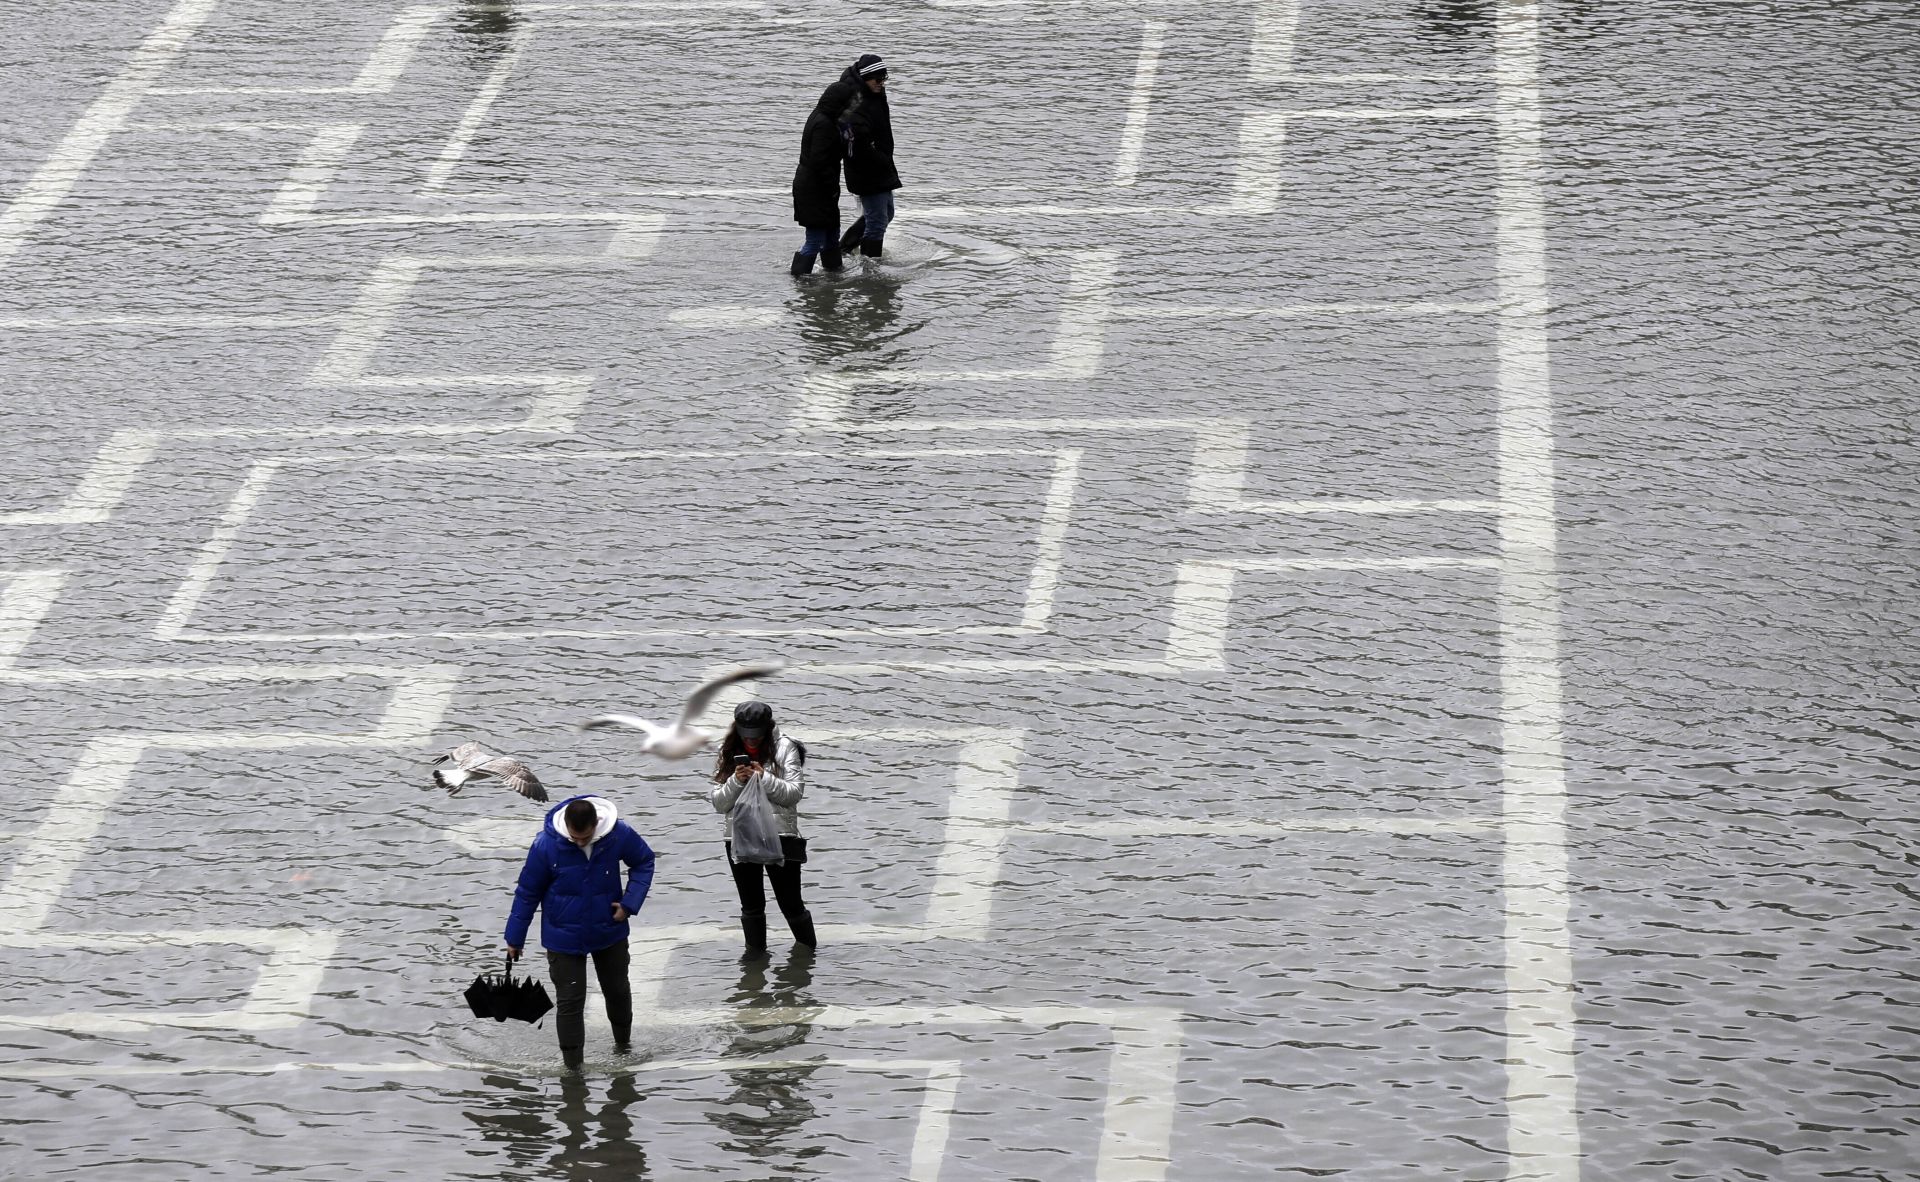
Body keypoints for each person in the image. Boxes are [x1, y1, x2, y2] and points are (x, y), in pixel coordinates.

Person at [504, 794, 656, 1071]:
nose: (579, 843)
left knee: (617, 990)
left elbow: (644, 861)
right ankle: (573, 1071)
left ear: (596, 824)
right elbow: (527, 893)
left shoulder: (617, 833)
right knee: (570, 1002)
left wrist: (629, 904)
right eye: (574, 838)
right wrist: (515, 938)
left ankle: (624, 1049)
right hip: (562, 936)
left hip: (609, 928)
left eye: (585, 838)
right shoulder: (545, 845)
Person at [706, 701, 816, 956]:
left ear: (767, 729)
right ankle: (754, 963)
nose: (751, 742)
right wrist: (736, 780)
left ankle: (808, 955)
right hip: (740, 836)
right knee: (751, 906)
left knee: (791, 903)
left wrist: (763, 777)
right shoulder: (728, 749)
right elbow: (719, 803)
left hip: (780, 837)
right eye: (746, 736)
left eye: (756, 736)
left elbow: (793, 794)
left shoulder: (786, 747)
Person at [790, 65, 858, 277]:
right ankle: (801, 280)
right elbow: (820, 162)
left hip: (819, 188)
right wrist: (831, 188)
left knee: (831, 235)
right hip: (815, 190)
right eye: (849, 103)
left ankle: (834, 275)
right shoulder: (825, 124)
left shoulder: (823, 117)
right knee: (815, 239)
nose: (852, 107)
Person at [836, 53, 902, 261]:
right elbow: (854, 140)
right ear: (865, 78)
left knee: (886, 214)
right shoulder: (855, 102)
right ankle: (871, 267)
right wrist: (878, 157)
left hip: (881, 165)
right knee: (877, 221)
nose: (882, 83)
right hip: (868, 171)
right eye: (878, 79)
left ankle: (845, 248)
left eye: (884, 79)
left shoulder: (874, 93)